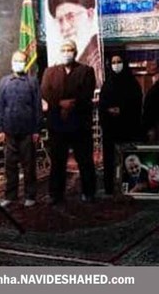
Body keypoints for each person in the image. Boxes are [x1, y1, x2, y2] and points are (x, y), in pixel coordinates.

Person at [41, 39, 97, 204]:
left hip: (80, 124)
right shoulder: (50, 72)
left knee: (85, 160)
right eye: (64, 50)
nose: (67, 53)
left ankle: (88, 192)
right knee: (58, 161)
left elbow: (87, 93)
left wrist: (71, 104)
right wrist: (60, 103)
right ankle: (56, 194)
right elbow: (45, 91)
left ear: (75, 52)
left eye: (70, 50)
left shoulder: (86, 71)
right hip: (58, 125)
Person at [0, 51, 42, 207]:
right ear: (11, 62)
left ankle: (30, 195)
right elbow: (0, 106)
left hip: (27, 131)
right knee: (10, 166)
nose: (18, 63)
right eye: (15, 60)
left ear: (26, 63)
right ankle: (10, 195)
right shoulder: (4, 82)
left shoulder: (32, 82)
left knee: (29, 166)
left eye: (21, 61)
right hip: (9, 131)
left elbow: (37, 107)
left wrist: (37, 130)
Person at [98, 53, 143, 195]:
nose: (116, 65)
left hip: (128, 128)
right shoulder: (107, 84)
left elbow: (137, 103)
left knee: (128, 158)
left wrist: (122, 110)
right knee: (111, 158)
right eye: (113, 62)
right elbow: (102, 104)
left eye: (119, 61)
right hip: (111, 129)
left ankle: (130, 187)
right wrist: (108, 110)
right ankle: (111, 188)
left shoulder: (132, 84)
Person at [47, 0, 103, 87]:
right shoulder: (56, 66)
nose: (65, 27)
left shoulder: (98, 59)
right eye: (60, 20)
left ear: (90, 15)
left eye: (71, 16)